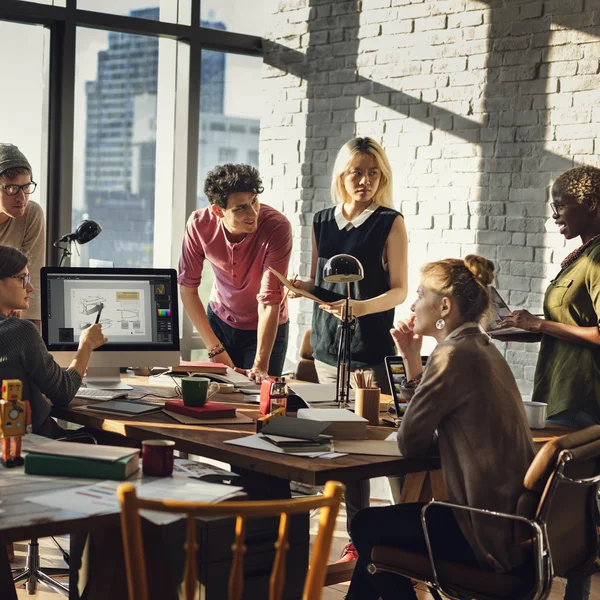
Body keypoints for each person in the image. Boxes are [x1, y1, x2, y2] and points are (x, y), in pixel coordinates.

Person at [346, 255, 535, 600]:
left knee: (366, 525)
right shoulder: (480, 347)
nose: (414, 304)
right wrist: (411, 359)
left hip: (482, 532)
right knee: (374, 547)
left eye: (419, 295)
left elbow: (410, 441)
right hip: (510, 526)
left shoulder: (451, 356)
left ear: (444, 306)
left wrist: (415, 367)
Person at [290, 137, 408, 561]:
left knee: (376, 442)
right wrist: (301, 289)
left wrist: (358, 307)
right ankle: (360, 541)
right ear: (342, 175)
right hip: (326, 345)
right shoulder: (322, 220)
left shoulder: (389, 222)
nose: (365, 180)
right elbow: (321, 283)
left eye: (373, 172)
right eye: (356, 172)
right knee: (341, 446)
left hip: (371, 346)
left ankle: (401, 535)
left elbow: (399, 291)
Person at [497, 165, 600, 600]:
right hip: (560, 390)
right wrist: (512, 327)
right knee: (564, 508)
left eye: (562, 205)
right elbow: (564, 324)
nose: (555, 214)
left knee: (566, 511)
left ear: (592, 204)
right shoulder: (583, 254)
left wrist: (539, 323)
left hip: (583, 395)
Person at [178, 164, 292, 382]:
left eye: (254, 201)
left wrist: (260, 365)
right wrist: (214, 349)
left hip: (265, 326)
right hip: (220, 320)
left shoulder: (277, 227)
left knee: (261, 399)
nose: (253, 213)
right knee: (218, 396)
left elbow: (269, 300)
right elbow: (188, 289)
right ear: (218, 211)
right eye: (240, 208)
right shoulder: (199, 224)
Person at [0, 245, 106, 438]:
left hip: (7, 448)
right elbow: (63, 392)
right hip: (36, 446)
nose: (30, 288)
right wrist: (86, 346)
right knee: (124, 440)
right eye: (22, 279)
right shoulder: (22, 332)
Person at [0, 144, 45, 327]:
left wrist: (37, 344)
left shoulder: (31, 214)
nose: (22, 198)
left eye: (26, 187)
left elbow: (31, 279)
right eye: (11, 189)